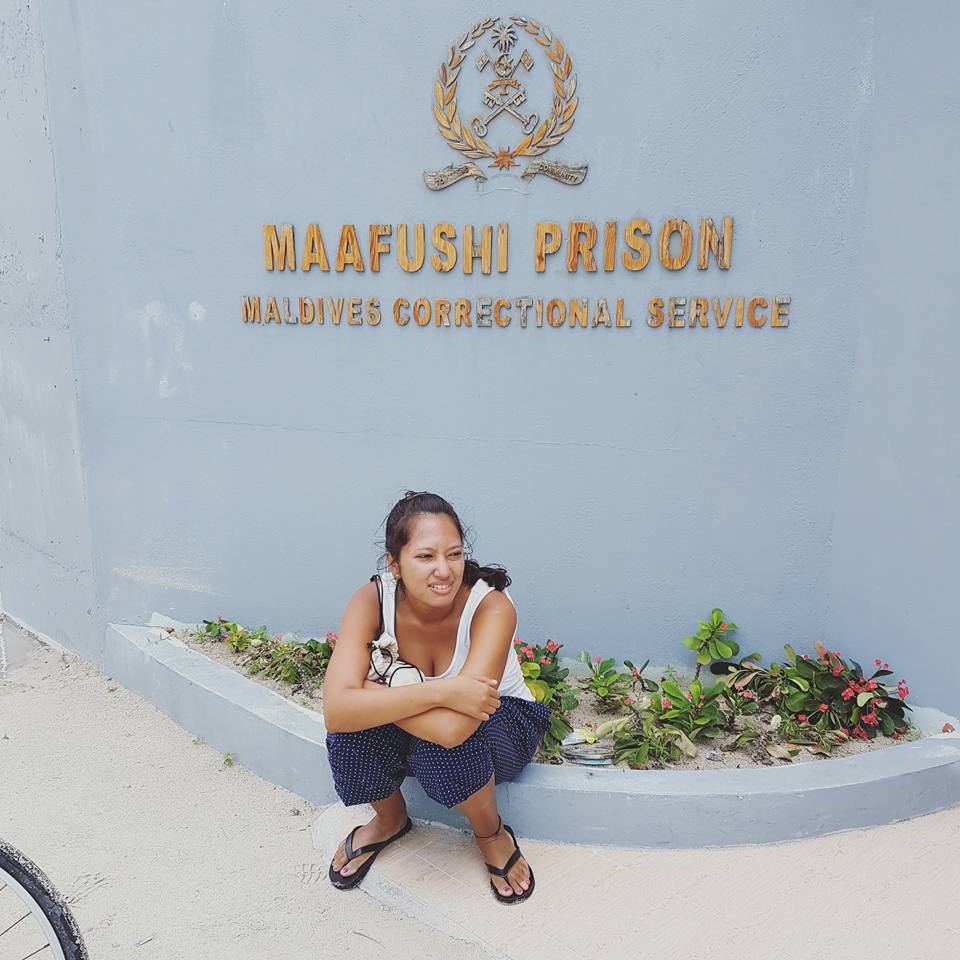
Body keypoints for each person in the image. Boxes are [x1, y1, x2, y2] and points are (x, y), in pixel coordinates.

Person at [322, 490, 550, 903]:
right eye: (425, 557)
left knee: (442, 751)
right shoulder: (372, 599)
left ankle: (491, 834)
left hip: (501, 724)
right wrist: (446, 689)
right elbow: (336, 713)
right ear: (395, 564)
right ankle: (390, 820)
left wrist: (370, 697)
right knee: (349, 738)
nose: (444, 570)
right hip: (432, 718)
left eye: (454, 554)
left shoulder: (491, 606)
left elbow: (453, 729)